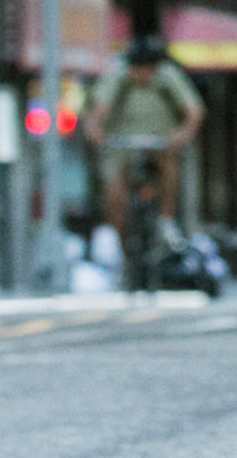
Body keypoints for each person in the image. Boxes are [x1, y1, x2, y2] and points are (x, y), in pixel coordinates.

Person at [83, 37, 203, 293]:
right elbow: (99, 108)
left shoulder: (166, 76)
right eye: (141, 69)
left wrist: (181, 134)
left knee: (169, 165)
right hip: (121, 143)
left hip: (159, 142)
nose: (145, 74)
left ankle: (166, 221)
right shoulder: (117, 76)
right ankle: (116, 241)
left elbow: (193, 110)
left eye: (150, 69)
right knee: (114, 184)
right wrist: (95, 130)